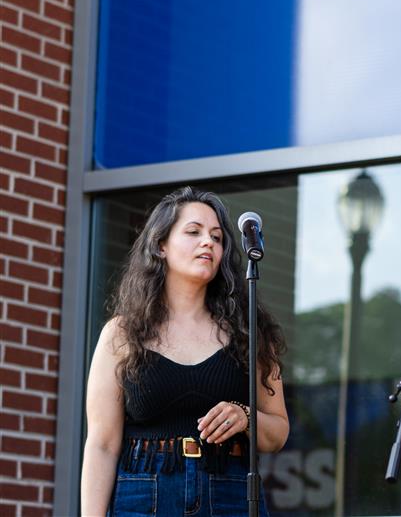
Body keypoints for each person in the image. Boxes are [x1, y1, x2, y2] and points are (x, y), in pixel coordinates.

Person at [80, 187, 289, 516]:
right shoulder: (120, 334)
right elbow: (103, 444)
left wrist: (245, 417)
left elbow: (278, 433)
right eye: (194, 232)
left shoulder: (251, 331)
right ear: (161, 245)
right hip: (144, 493)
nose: (208, 242)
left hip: (230, 492)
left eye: (217, 237)